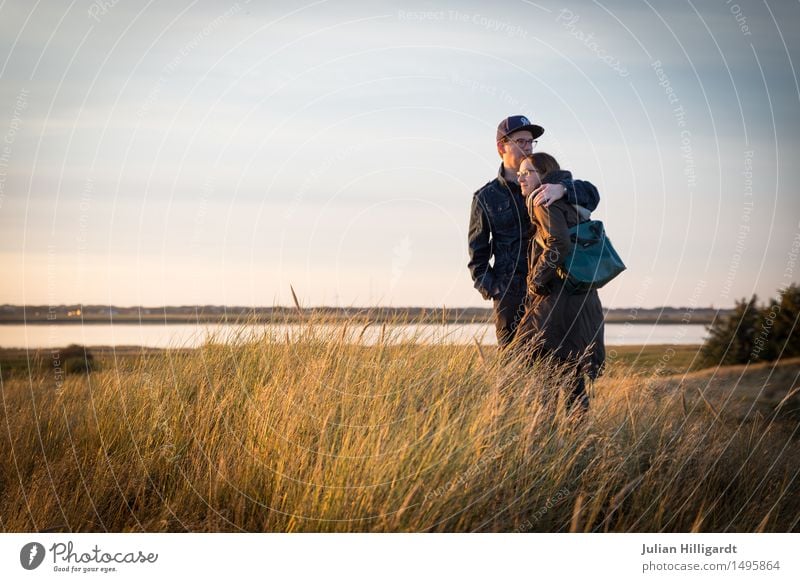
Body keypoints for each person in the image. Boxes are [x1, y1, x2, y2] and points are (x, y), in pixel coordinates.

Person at [467, 115, 599, 348]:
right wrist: (495, 290)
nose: (527, 147)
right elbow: (477, 254)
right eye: (520, 141)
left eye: (530, 142)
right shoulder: (485, 197)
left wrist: (563, 189)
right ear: (501, 147)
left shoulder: (548, 183)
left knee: (560, 363)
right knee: (512, 366)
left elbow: (592, 194)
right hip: (511, 293)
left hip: (553, 290)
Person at [514, 152, 606, 412]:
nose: (521, 178)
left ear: (543, 174)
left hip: (557, 301)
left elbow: (559, 243)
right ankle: (578, 440)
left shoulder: (543, 200)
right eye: (519, 173)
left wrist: (535, 279)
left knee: (545, 371)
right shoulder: (567, 200)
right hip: (579, 297)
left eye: (527, 172)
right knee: (571, 376)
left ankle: (544, 437)